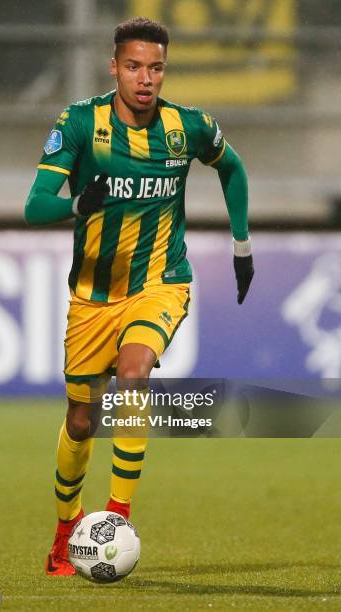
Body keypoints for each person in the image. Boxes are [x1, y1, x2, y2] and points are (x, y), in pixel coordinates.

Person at [25, 16, 254, 576]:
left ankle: (116, 515)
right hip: (93, 298)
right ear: (114, 67)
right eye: (134, 66)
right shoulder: (80, 123)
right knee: (81, 420)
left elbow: (233, 168)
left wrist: (242, 245)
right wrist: (80, 205)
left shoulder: (188, 127)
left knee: (133, 379)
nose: (145, 78)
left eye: (155, 67)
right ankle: (64, 532)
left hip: (161, 283)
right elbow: (35, 206)